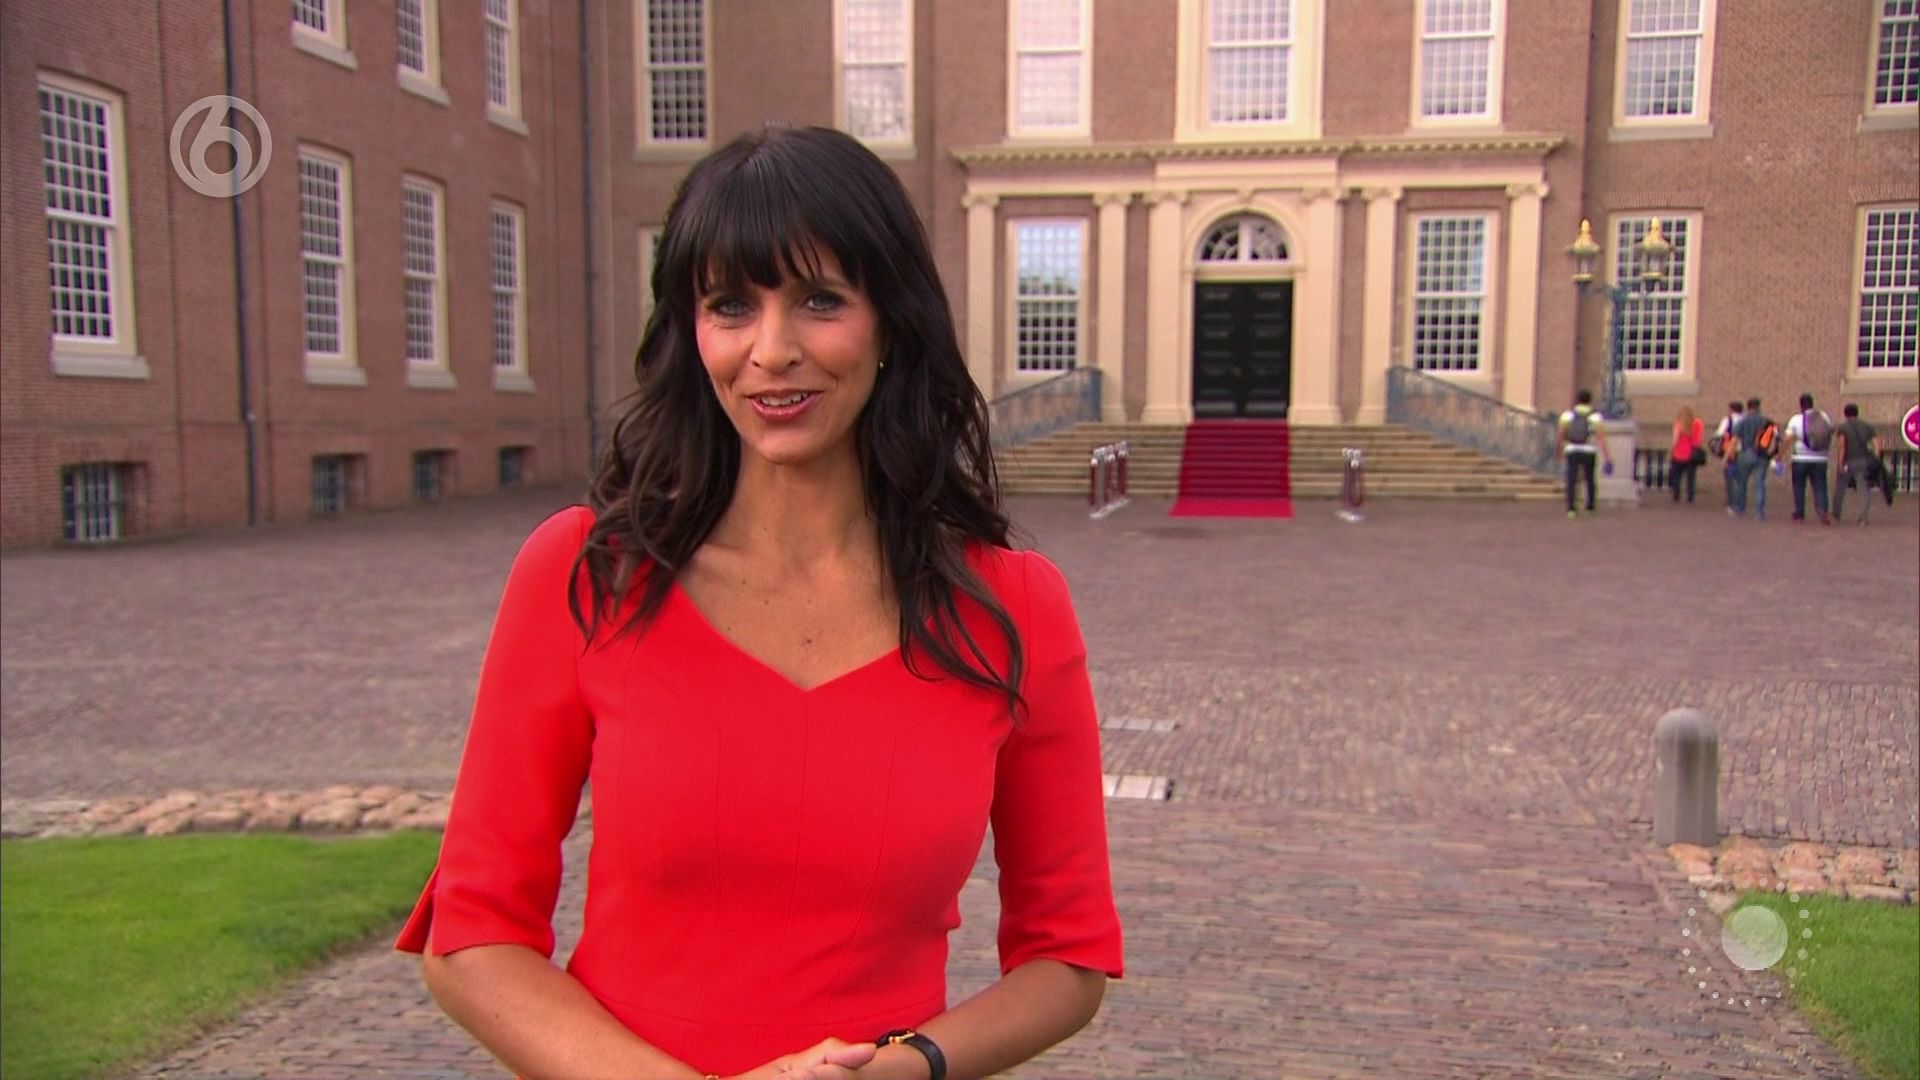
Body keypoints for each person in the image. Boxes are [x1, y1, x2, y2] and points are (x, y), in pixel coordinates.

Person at [396, 126, 1122, 1080]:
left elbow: (1069, 957)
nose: (771, 351)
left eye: (820, 300)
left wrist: (910, 1065)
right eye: (731, 305)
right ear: (691, 332)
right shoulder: (587, 575)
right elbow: (472, 933)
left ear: (891, 321)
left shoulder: (1012, 607)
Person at [1557, 389, 1613, 517]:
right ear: (1590, 401)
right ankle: (1590, 507)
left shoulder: (1568, 415)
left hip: (1572, 449)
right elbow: (1601, 437)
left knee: (1571, 479)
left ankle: (1571, 508)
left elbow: (1560, 434)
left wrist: (1559, 451)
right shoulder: (1595, 416)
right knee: (1590, 479)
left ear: (1577, 400)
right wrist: (1608, 456)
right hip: (1589, 450)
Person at [1832, 403, 1889, 525]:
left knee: (1840, 488)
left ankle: (1836, 515)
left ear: (1845, 414)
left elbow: (1842, 445)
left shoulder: (1843, 427)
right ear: (1857, 413)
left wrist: (1840, 462)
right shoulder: (1867, 426)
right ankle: (1863, 518)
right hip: (1864, 462)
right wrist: (1876, 458)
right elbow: (1877, 443)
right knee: (1863, 489)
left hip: (1848, 461)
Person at [1782, 392, 1834, 525]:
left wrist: (1780, 455)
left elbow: (1788, 439)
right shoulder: (1823, 416)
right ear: (1812, 403)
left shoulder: (1796, 419)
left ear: (1801, 405)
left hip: (1800, 458)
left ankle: (1799, 514)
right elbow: (1830, 432)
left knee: (1799, 486)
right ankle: (1823, 511)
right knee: (1820, 486)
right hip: (1820, 459)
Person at [1730, 396, 1776, 519]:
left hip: (1745, 454)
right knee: (1760, 484)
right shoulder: (1766, 421)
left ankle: (1740, 508)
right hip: (1762, 455)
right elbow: (1774, 437)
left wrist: (1729, 455)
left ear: (1748, 407)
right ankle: (1759, 512)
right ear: (1759, 407)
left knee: (1741, 483)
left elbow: (1735, 440)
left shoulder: (1742, 421)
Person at [1710, 400, 1744, 514]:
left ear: (1731, 409)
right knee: (1741, 478)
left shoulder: (1727, 420)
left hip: (1731, 451)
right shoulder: (1745, 420)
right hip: (1744, 452)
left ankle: (1731, 502)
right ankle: (1741, 500)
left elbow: (1719, 434)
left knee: (1730, 477)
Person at [1668, 404, 1705, 504]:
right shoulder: (1697, 424)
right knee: (1691, 478)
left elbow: (1675, 439)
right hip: (1691, 455)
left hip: (1678, 454)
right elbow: (1699, 440)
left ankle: (1676, 495)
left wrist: (1671, 450)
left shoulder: (1678, 424)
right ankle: (1690, 497)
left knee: (1677, 476)